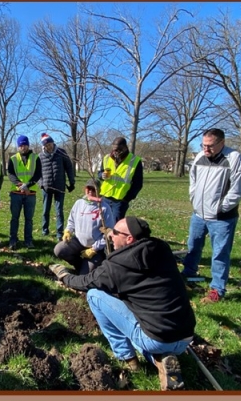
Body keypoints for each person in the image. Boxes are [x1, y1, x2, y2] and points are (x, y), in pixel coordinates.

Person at [50, 217, 195, 391]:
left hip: (158, 338)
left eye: (116, 232)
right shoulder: (162, 249)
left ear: (129, 239)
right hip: (186, 334)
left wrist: (64, 276)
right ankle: (160, 361)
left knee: (94, 296)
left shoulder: (118, 266)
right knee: (135, 317)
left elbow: (86, 282)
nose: (110, 235)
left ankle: (129, 359)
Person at [182, 128, 241, 303]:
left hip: (222, 218)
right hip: (198, 214)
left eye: (210, 146)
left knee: (219, 253)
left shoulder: (234, 158)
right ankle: (188, 276)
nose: (206, 149)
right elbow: (193, 180)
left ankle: (217, 289)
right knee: (193, 247)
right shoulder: (199, 157)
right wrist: (194, 200)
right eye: (203, 145)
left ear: (221, 143)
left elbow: (238, 189)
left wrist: (221, 208)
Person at [54, 180, 116, 274]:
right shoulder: (79, 203)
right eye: (88, 188)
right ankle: (79, 264)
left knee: (86, 275)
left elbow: (109, 233)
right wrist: (68, 231)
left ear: (99, 191)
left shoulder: (104, 208)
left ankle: (88, 267)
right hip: (78, 242)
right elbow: (71, 221)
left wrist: (94, 249)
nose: (90, 191)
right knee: (59, 250)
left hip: (95, 248)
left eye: (93, 189)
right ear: (85, 189)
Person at [6, 135, 42, 250]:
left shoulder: (35, 158)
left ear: (28, 145)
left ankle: (28, 240)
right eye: (21, 145)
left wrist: (28, 185)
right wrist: (21, 185)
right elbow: (11, 175)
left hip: (30, 193)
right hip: (16, 193)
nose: (23, 147)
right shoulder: (13, 159)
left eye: (25, 145)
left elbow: (37, 174)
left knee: (29, 219)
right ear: (18, 146)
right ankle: (13, 240)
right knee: (14, 218)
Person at [38, 133, 76, 241]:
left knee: (59, 211)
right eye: (46, 145)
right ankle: (45, 230)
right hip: (46, 187)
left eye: (50, 144)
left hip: (59, 186)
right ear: (43, 146)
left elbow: (69, 167)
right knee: (46, 210)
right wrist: (41, 184)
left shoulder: (61, 153)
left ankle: (60, 233)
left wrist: (71, 181)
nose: (49, 146)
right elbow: (38, 173)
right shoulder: (40, 156)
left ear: (53, 142)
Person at [97, 137, 144, 220]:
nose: (116, 152)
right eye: (114, 149)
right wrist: (102, 175)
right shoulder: (107, 158)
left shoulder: (135, 161)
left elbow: (138, 184)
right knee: (102, 223)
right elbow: (100, 173)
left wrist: (127, 199)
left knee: (115, 226)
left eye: (119, 149)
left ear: (125, 147)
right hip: (105, 196)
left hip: (120, 200)